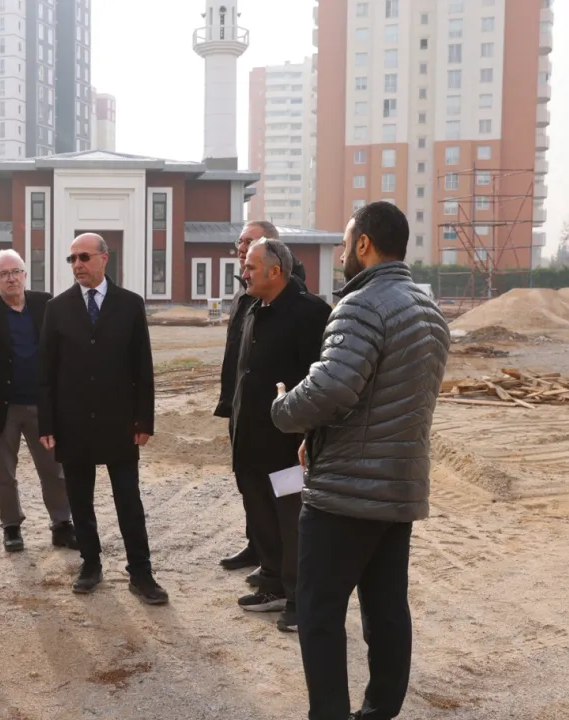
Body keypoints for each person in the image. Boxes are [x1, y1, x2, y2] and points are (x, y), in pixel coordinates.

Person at [270, 201, 449, 720]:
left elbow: (333, 388)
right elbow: (384, 398)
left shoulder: (362, 305)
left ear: (364, 244)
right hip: (398, 489)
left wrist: (283, 408)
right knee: (386, 609)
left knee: (320, 611)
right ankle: (379, 710)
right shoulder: (427, 310)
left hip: (346, 493)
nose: (344, 253)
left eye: (347, 244)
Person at [38, 233, 168, 604]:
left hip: (119, 422)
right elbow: (46, 372)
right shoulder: (57, 308)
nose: (77, 264)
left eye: (84, 257)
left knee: (128, 500)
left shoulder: (129, 304)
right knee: (80, 500)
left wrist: (144, 420)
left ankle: (141, 572)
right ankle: (90, 564)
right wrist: (47, 424)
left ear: (104, 258)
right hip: (73, 423)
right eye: (72, 259)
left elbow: (142, 367)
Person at [229, 238, 331, 633]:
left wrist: (309, 435)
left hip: (287, 447)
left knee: (292, 523)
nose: (244, 272)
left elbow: (319, 382)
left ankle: (300, 601)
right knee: (261, 518)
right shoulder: (254, 309)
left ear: (275, 271)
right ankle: (271, 584)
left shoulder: (311, 313)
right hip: (250, 441)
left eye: (251, 267)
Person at [215, 220, 308, 590]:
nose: (242, 253)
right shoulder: (249, 300)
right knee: (254, 496)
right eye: (240, 243)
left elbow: (309, 375)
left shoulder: (302, 306)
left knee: (285, 506)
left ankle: (290, 586)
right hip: (247, 419)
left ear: (275, 266)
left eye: (250, 245)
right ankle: (266, 563)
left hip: (283, 432)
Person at [0, 249, 76, 552]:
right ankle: (11, 527)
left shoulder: (45, 304)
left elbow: (61, 352)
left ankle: (62, 524)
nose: (10, 278)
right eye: (3, 274)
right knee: (4, 472)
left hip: (43, 405)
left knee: (54, 469)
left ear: (25, 274)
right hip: (2, 408)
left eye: (15, 271)